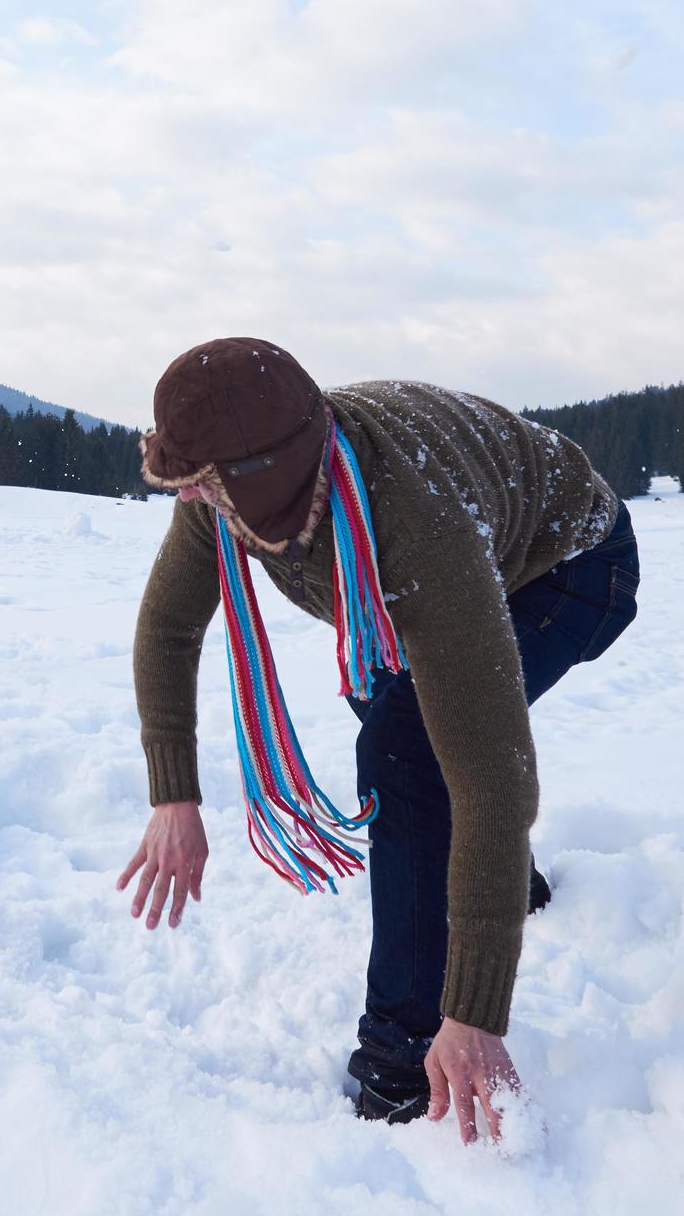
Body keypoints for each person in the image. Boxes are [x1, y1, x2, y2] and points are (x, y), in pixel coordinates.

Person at [113, 337, 637, 1145]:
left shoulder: (416, 530)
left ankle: (401, 1057)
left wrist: (473, 1012)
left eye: (204, 486)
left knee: (412, 751)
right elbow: (169, 624)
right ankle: (487, 877)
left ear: (264, 480)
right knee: (405, 727)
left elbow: (494, 779)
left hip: (569, 564)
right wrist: (173, 793)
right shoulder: (227, 491)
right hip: (428, 566)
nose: (190, 504)